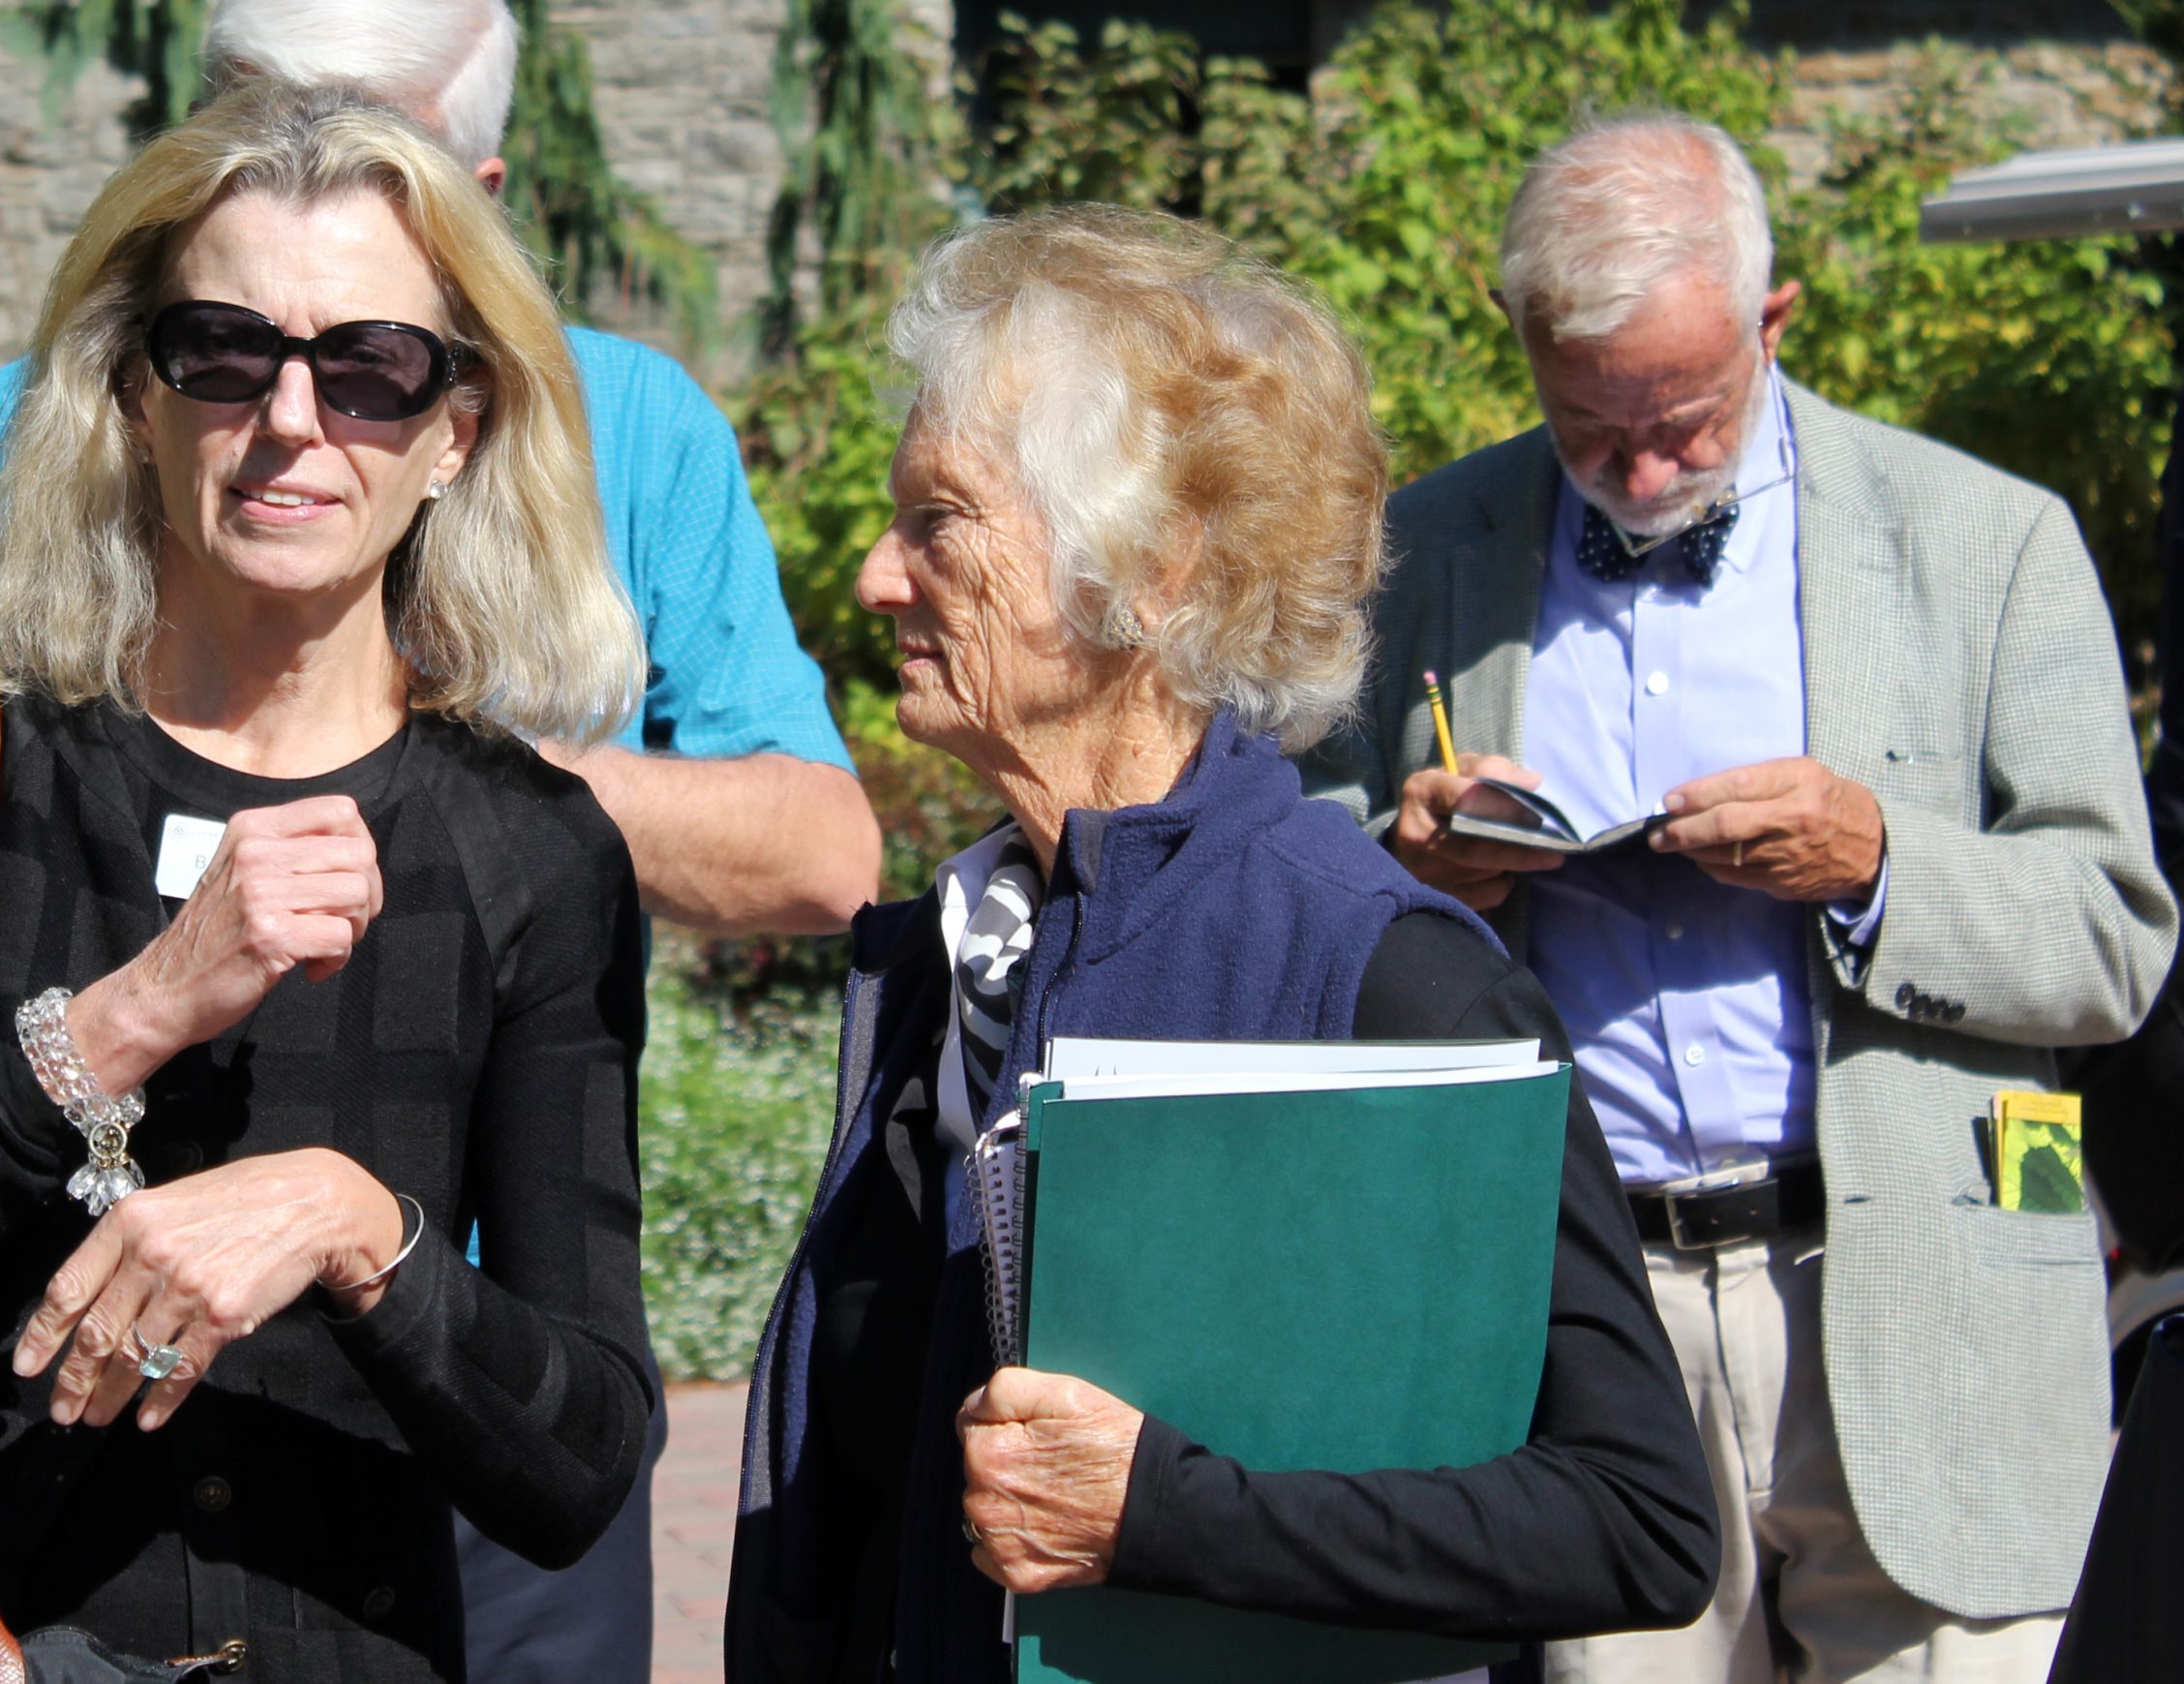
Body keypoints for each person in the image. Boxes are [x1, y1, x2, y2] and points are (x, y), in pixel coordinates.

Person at [0, 0, 883, 1682]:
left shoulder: (627, 428)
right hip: (54, 1360)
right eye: (249, 139)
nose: (290, 404)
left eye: (371, 365)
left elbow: (824, 848)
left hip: (467, 1359)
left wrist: (439, 791)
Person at [0, 82, 652, 1683]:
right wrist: (125, 1019)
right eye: (225, 348)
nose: (293, 418)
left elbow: (580, 1459)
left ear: (455, 432)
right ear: (134, 392)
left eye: (370, 367)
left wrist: (360, 1231)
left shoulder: (530, 853)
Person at [726, 206, 1720, 1684]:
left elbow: (1635, 1519)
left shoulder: (1388, 977)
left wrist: (1166, 1512)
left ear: (1160, 566)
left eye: (939, 519)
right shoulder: (954, 958)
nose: (877, 576)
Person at [1302, 113, 2178, 1682]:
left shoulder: (1987, 541)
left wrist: (1879, 860)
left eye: (1688, 421)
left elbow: (2115, 936)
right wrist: (1412, 865)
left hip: (1924, 1296)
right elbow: (1300, 899)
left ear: (1775, 322)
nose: (1640, 470)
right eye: (1588, 424)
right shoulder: (1420, 554)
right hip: (1580, 1313)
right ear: (1522, 342)